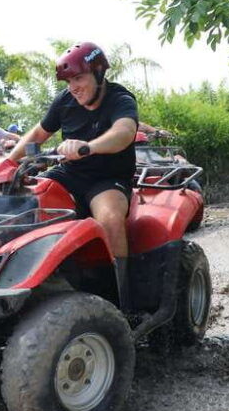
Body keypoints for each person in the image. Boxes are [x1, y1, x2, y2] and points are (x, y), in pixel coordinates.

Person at [8, 42, 138, 311]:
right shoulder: (65, 102)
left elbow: (124, 133)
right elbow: (37, 134)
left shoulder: (120, 99)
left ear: (99, 73)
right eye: (69, 80)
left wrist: (89, 147)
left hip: (108, 178)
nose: (73, 86)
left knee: (110, 219)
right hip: (69, 174)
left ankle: (120, 303)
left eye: (79, 77)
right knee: (26, 203)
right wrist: (7, 163)